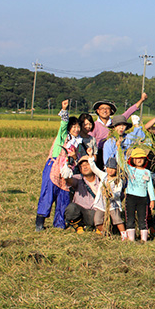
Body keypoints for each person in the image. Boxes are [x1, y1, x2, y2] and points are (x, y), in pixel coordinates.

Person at [36, 99, 73, 231]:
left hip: (67, 171)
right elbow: (63, 125)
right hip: (53, 167)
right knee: (48, 194)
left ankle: (59, 224)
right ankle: (39, 223)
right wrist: (64, 111)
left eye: (77, 127)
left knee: (63, 197)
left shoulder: (78, 142)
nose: (76, 129)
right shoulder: (63, 136)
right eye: (73, 127)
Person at [87, 155, 126, 239]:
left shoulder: (118, 180)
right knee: (97, 220)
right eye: (108, 168)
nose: (110, 170)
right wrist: (90, 158)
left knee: (117, 219)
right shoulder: (103, 176)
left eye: (112, 168)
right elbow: (94, 169)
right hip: (102, 203)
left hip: (113, 204)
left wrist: (112, 195)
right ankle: (105, 233)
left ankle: (124, 235)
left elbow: (118, 193)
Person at [125, 148, 155, 242]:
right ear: (132, 159)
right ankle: (131, 239)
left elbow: (150, 187)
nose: (139, 160)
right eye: (136, 158)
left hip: (143, 198)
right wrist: (119, 147)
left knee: (142, 218)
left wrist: (152, 200)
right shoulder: (130, 169)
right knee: (130, 218)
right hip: (131, 197)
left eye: (141, 158)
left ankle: (144, 239)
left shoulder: (147, 172)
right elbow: (121, 162)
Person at [63, 155, 100, 233]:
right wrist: (66, 176)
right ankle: (78, 226)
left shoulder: (100, 179)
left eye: (87, 164)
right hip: (81, 212)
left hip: (96, 213)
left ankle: (99, 227)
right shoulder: (78, 178)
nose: (85, 167)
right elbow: (70, 181)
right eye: (82, 166)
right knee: (71, 208)